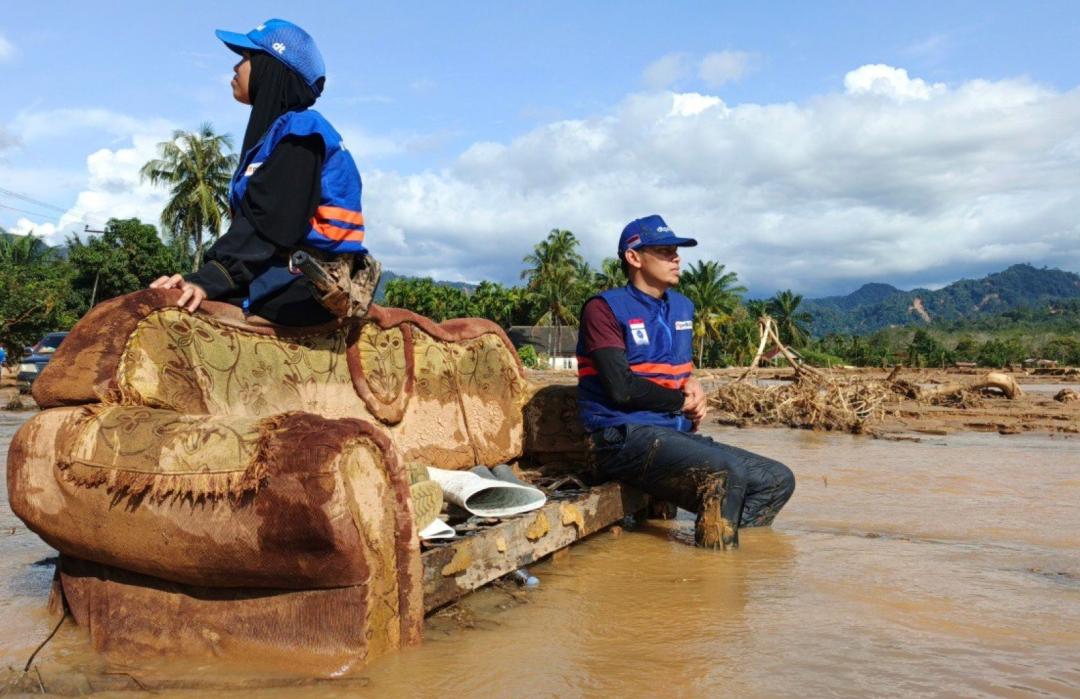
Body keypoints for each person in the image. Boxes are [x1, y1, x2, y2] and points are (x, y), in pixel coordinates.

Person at [576, 215, 795, 549]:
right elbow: (620, 387)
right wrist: (679, 402)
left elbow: (673, 367)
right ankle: (715, 579)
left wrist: (692, 384)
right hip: (620, 437)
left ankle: (728, 555)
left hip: (671, 434)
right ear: (634, 258)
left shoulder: (682, 307)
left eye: (676, 251)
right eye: (665, 251)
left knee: (777, 480)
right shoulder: (604, 309)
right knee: (726, 472)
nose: (676, 258)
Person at [149, 19, 368, 325]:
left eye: (246, 58)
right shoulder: (274, 138)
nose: (235, 68)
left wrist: (210, 278)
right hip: (277, 271)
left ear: (271, 68)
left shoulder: (302, 133)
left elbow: (270, 225)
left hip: (312, 282)